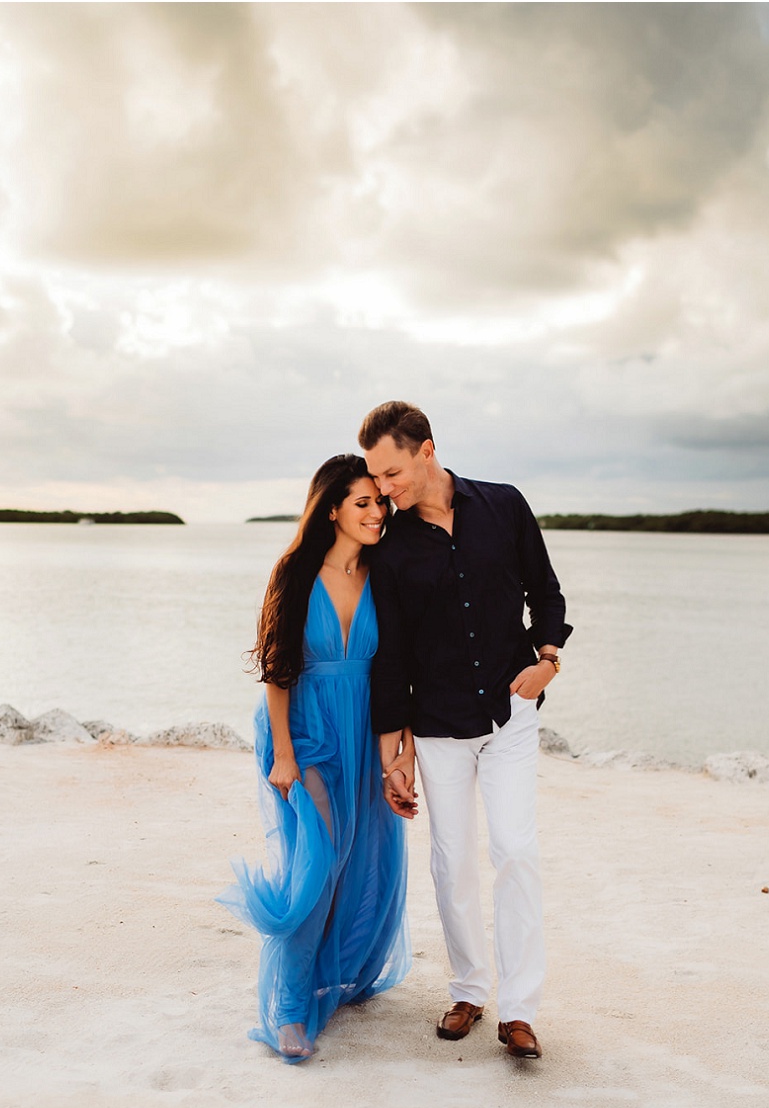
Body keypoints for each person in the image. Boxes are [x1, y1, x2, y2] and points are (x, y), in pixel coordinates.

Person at [360, 401, 570, 1061]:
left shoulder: (504, 505)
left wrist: (548, 660)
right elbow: (390, 657)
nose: (385, 489)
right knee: (451, 863)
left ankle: (520, 1011)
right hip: (439, 727)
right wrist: (393, 753)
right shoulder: (390, 550)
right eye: (376, 478)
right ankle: (470, 989)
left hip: (510, 715)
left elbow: (547, 593)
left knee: (515, 850)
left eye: (392, 472)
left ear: (426, 450)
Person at [222, 455, 413, 1063]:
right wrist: (282, 753)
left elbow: (397, 669)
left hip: (362, 729)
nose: (376, 512)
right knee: (318, 862)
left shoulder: (385, 573)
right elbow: (277, 670)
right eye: (363, 503)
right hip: (303, 730)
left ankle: (338, 972)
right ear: (331, 508)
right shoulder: (297, 572)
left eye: (379, 502)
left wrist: (397, 749)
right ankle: (287, 1008)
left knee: (366, 858)